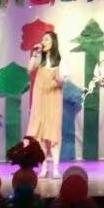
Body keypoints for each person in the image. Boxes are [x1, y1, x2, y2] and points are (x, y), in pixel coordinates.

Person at [26, 31, 65, 177]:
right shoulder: (40, 58)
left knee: (53, 133)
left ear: (53, 42)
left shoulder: (60, 61)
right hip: (40, 98)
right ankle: (43, 168)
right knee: (41, 134)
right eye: (43, 39)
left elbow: (63, 81)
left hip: (53, 98)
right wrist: (35, 54)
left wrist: (57, 79)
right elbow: (30, 68)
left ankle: (55, 168)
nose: (44, 42)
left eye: (47, 39)